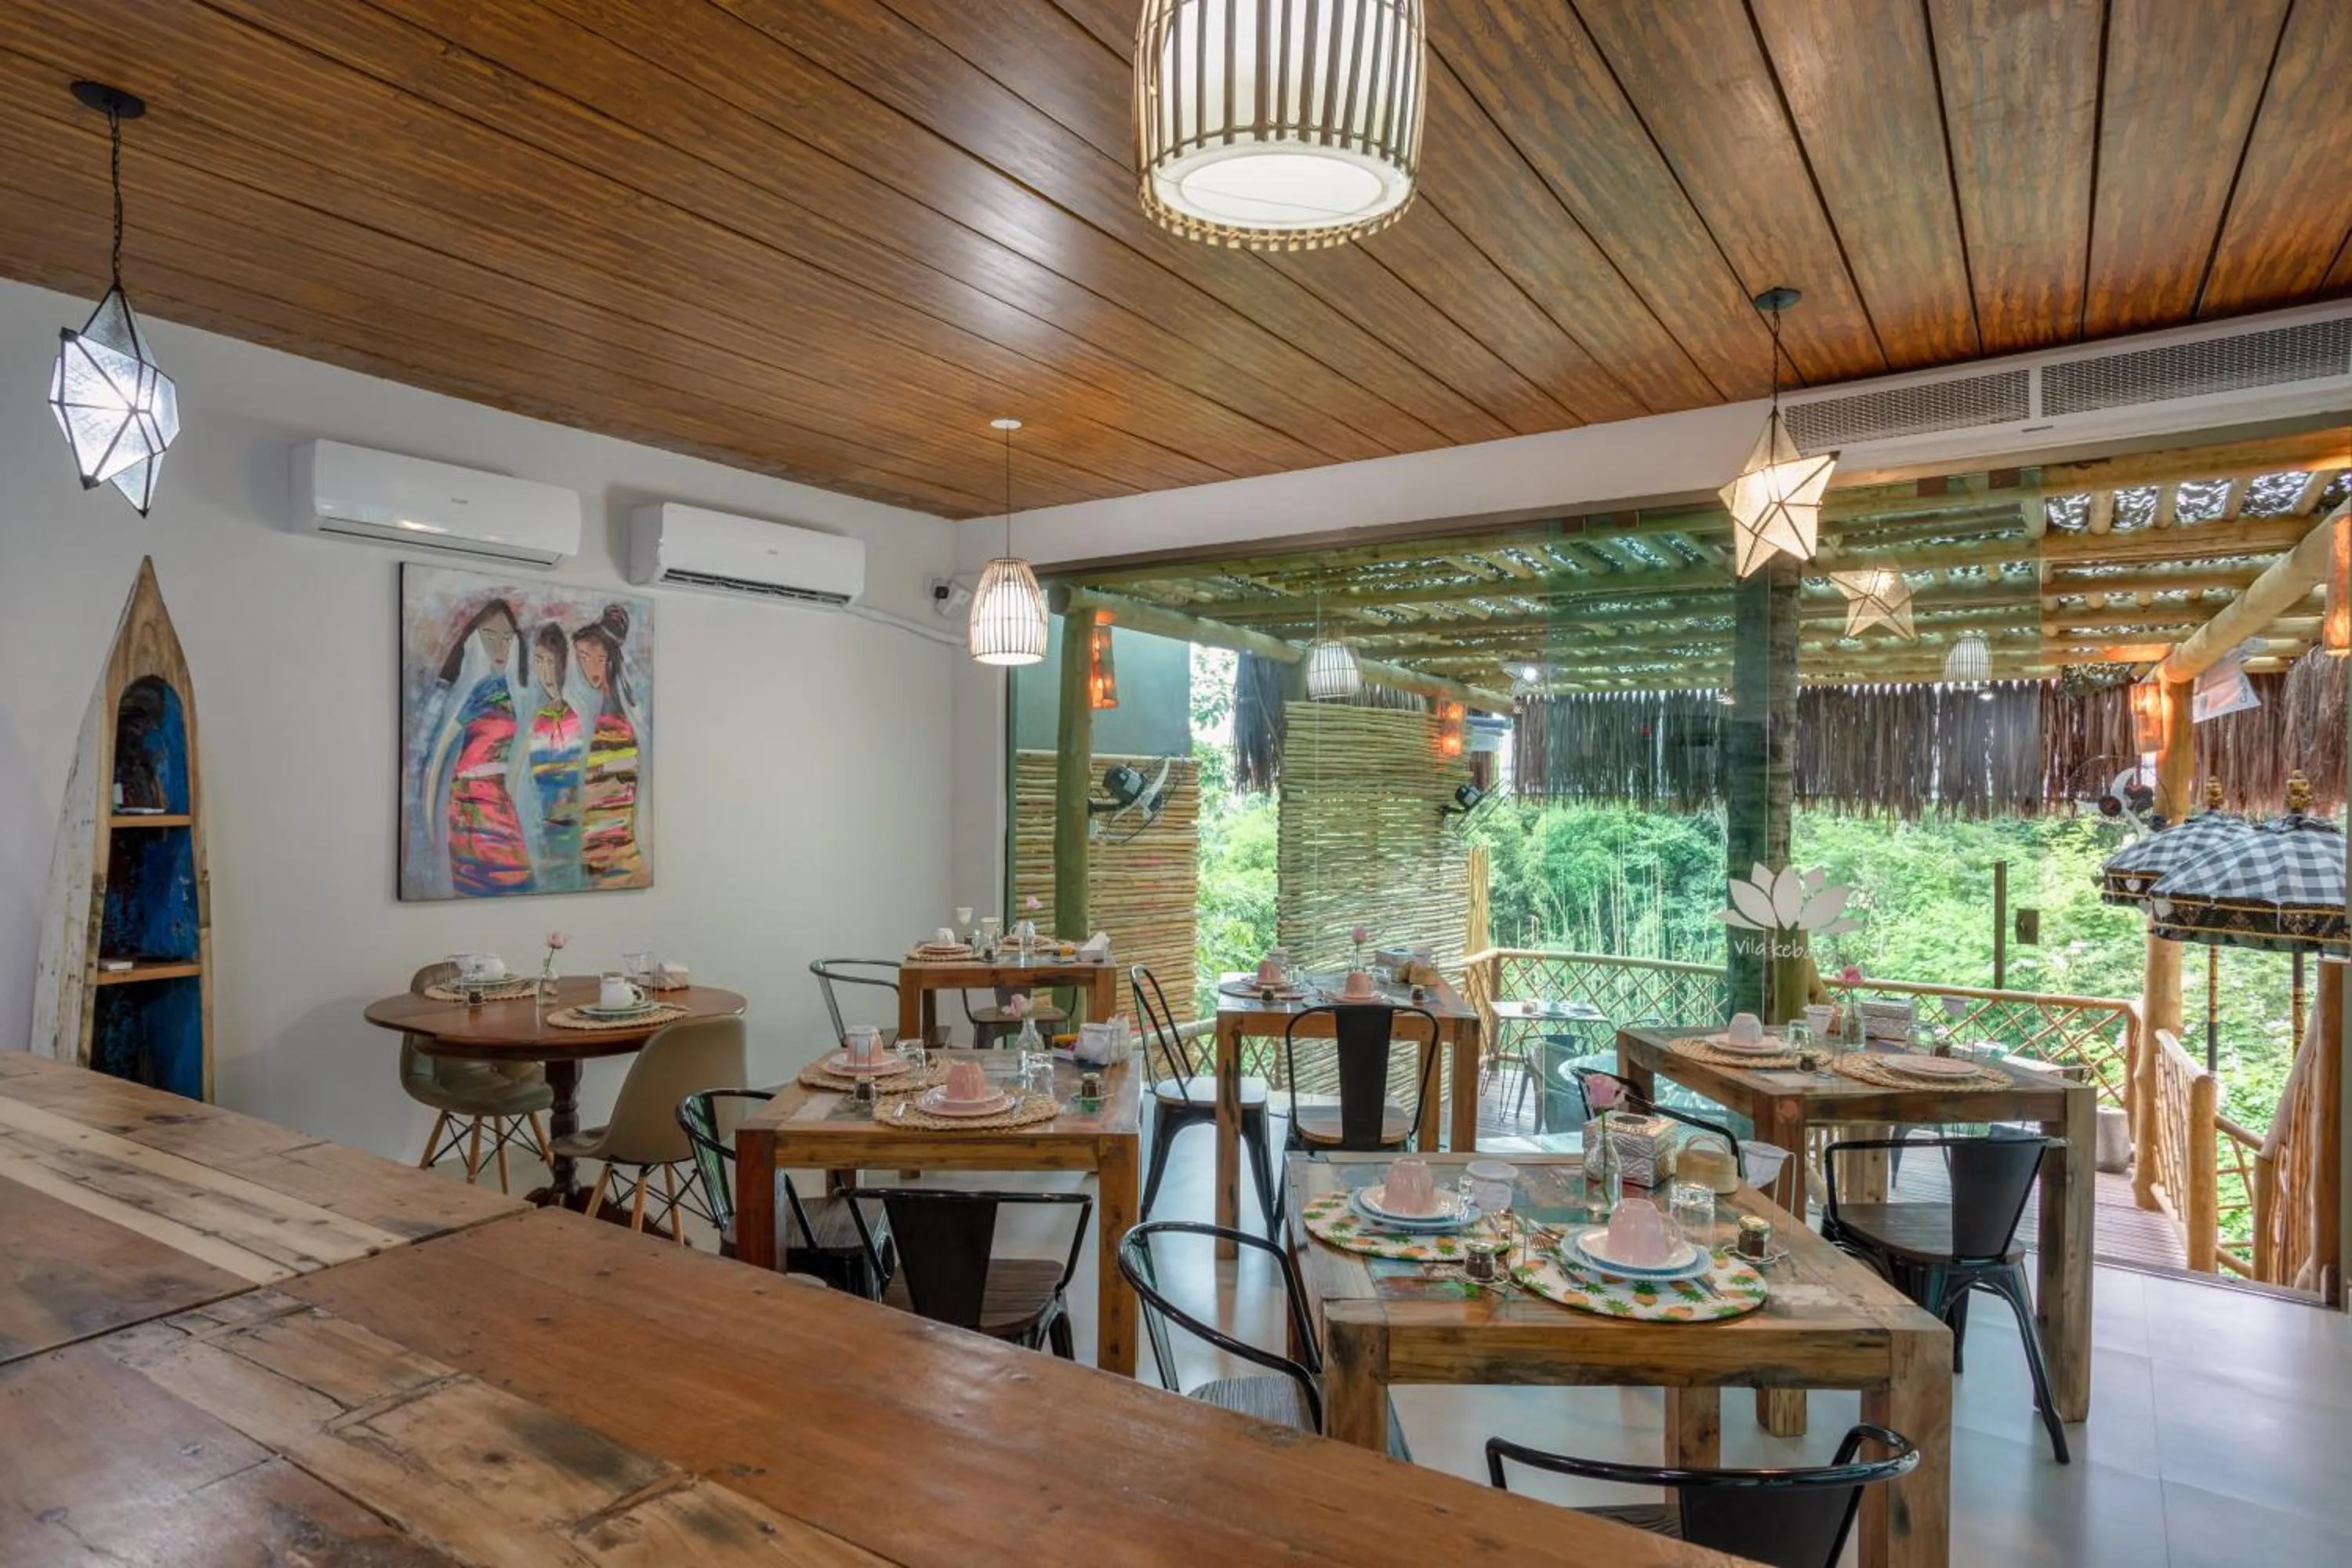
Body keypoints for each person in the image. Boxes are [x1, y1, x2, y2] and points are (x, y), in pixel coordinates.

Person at [422, 598, 535, 898]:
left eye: (507, 640)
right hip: (469, 807)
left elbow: (517, 757)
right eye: (490, 638)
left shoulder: (512, 694)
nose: (500, 648)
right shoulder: (478, 692)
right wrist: (431, 818)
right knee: (479, 888)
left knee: (517, 884)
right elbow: (441, 754)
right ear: (475, 639)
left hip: (499, 803)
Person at [572, 604, 648, 887]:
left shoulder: (617, 720)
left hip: (613, 844)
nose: (589, 667)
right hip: (597, 841)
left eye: (599, 659)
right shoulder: (595, 711)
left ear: (611, 661)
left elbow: (625, 774)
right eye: (583, 657)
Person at [526, 623, 585, 884]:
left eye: (550, 661)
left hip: (569, 824)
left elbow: (573, 775)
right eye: (539, 661)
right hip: (538, 822)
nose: (545, 670)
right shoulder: (533, 716)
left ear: (561, 665)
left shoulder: (574, 714)